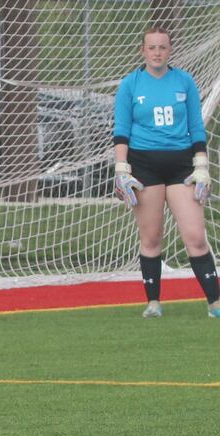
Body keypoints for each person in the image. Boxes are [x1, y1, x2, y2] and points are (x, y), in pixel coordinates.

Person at [113, 25, 219, 318]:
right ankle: (153, 303)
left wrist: (201, 166)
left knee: (196, 236)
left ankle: (215, 303)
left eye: (162, 47)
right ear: (142, 51)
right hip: (144, 166)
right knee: (151, 237)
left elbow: (196, 126)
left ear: (170, 50)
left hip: (181, 165)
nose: (157, 52)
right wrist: (121, 170)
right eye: (152, 47)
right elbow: (121, 131)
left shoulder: (184, 81)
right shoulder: (130, 85)